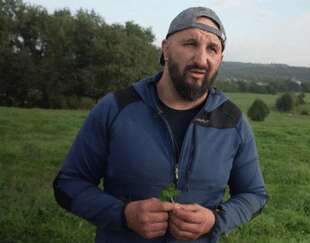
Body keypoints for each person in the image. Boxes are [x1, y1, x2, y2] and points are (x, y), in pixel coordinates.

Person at [53, 6, 267, 243]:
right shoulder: (116, 108)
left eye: (212, 49)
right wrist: (123, 214)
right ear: (165, 49)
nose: (201, 59)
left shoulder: (232, 121)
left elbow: (253, 194)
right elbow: (68, 185)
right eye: (190, 44)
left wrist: (215, 219)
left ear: (220, 59)